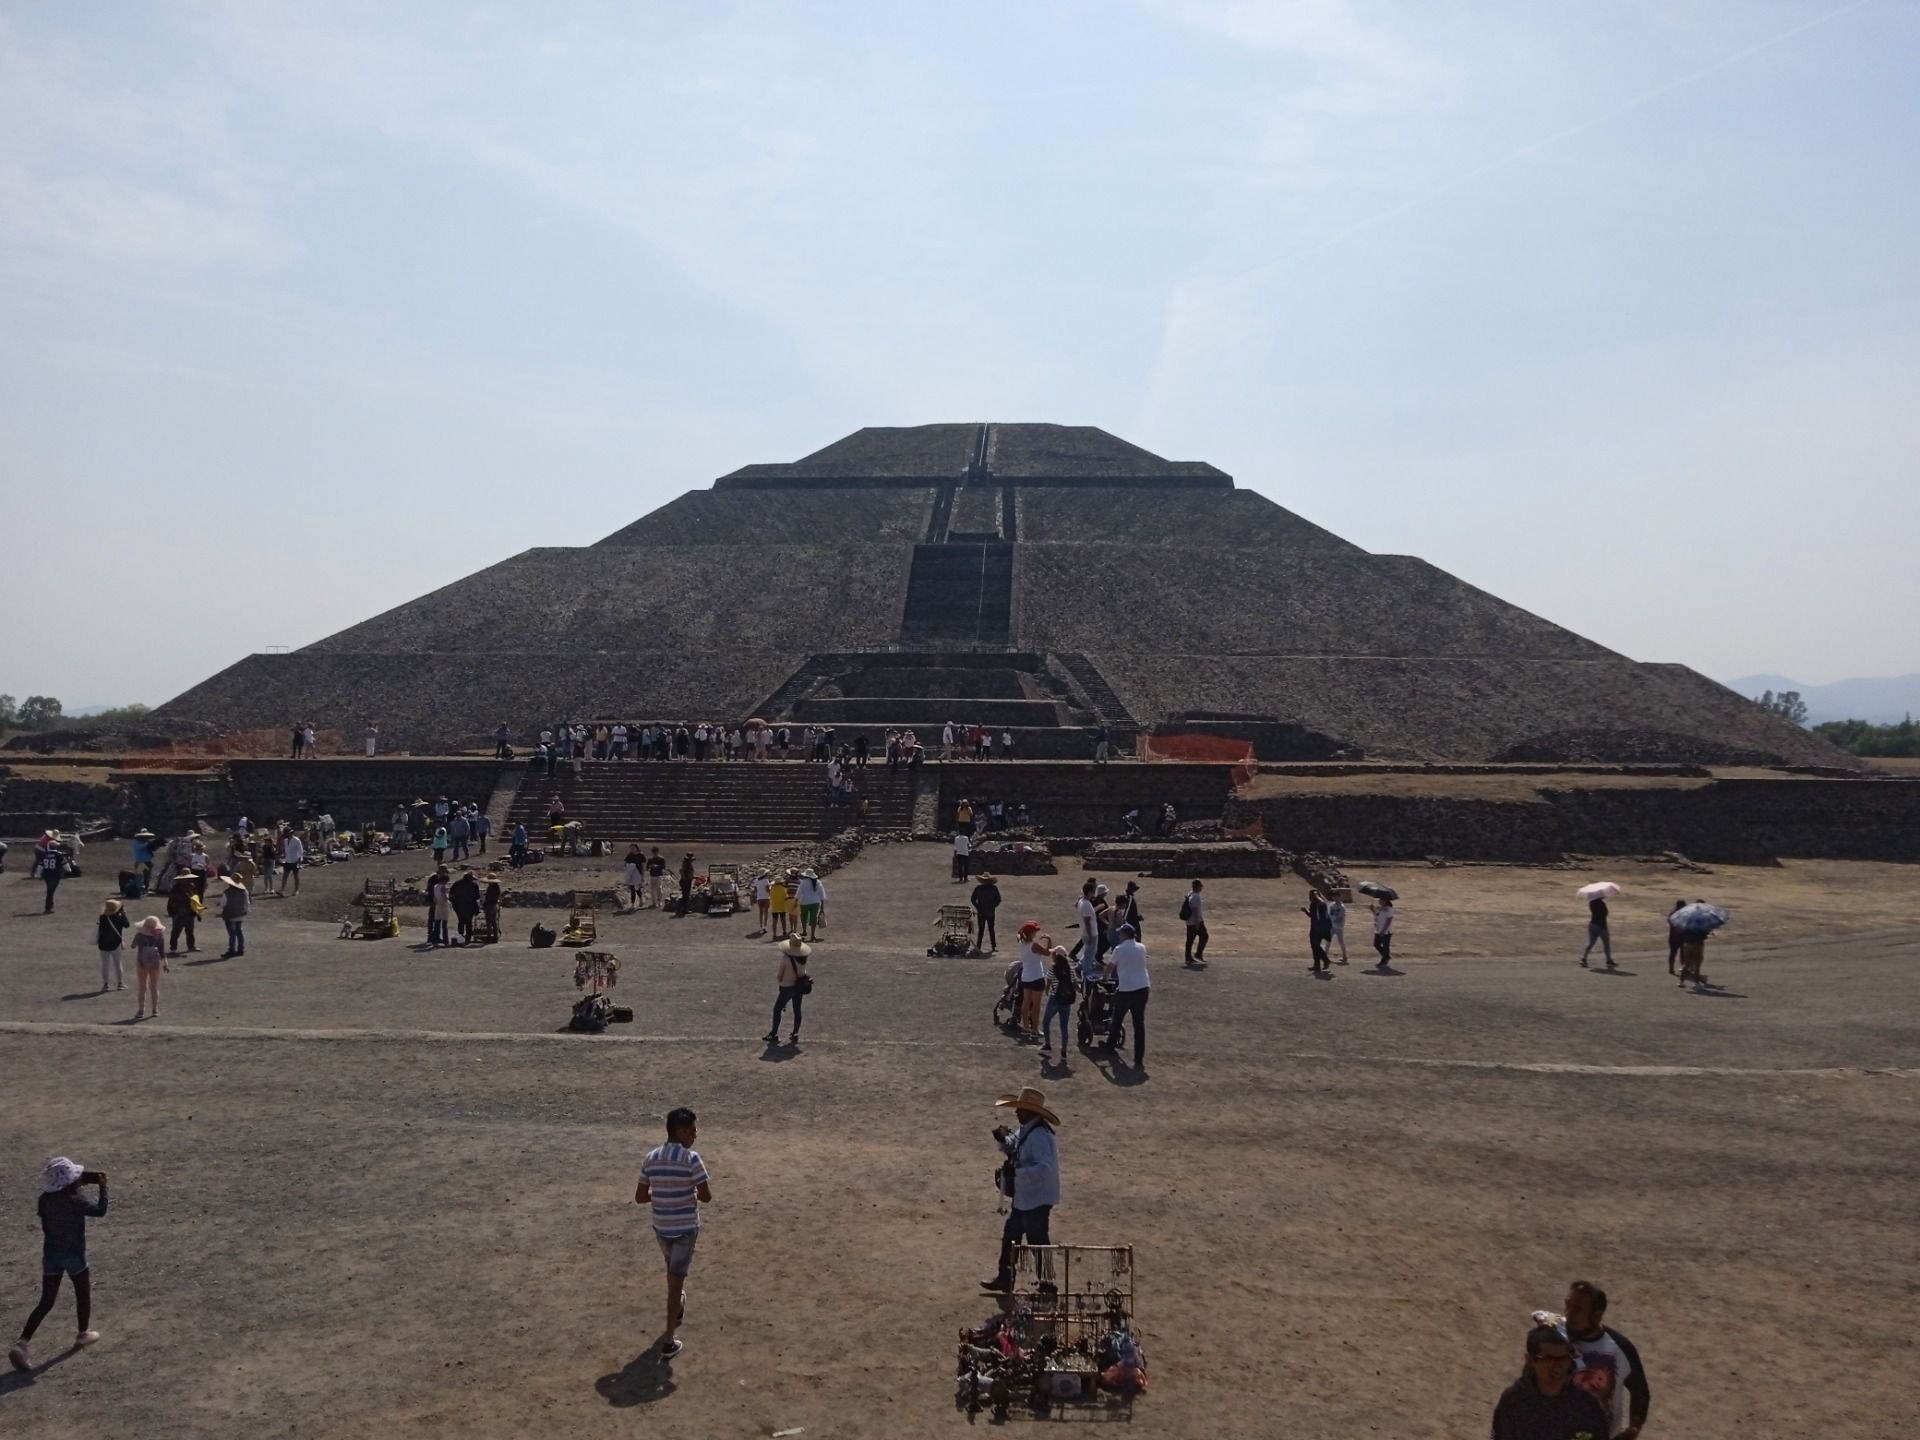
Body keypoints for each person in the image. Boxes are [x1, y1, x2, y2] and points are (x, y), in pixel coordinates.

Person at [8, 1158, 108, 1372]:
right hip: (74, 1254)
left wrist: (81, 1184)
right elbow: (100, 1211)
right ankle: (83, 1333)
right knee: (82, 1293)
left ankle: (22, 1343)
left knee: (46, 1301)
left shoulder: (44, 1200)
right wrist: (103, 1187)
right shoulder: (74, 1199)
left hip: (51, 1255)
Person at [634, 1108, 712, 1359]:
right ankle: (668, 1339)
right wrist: (687, 1193)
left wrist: (663, 1194)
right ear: (679, 1132)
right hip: (686, 1228)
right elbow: (707, 1196)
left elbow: (640, 1197)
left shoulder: (651, 1157)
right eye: (691, 1131)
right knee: (674, 1280)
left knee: (672, 1273)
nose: (695, 1135)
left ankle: (678, 1301)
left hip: (662, 1227)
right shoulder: (691, 1159)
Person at [981, 1087, 1060, 1294]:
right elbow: (1013, 1145)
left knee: (1038, 1243)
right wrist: (1002, 1140)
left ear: (1031, 1112)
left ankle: (1048, 1286)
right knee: (1011, 1236)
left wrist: (1018, 1172)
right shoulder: (1027, 1129)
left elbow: (1045, 1168)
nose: (1016, 1112)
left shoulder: (1040, 1136)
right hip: (1025, 1197)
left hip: (1036, 1198)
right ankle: (1005, 1279)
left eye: (1020, 1109)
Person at [1491, 1326, 1612, 1440]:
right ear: (1531, 1360)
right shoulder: (1513, 1402)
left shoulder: (1587, 1407)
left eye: (1563, 1358)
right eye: (1549, 1358)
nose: (1557, 1366)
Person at [1103, 923, 1150, 1067]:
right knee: (1139, 1024)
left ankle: (1110, 1047)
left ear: (1125, 935)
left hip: (1126, 989)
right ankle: (1138, 1058)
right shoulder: (1141, 947)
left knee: (1117, 1019)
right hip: (1142, 987)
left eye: (1120, 933)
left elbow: (1111, 966)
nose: (1119, 935)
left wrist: (1104, 977)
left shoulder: (1119, 949)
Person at [765, 935, 811, 1045]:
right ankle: (795, 1033)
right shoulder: (803, 958)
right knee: (797, 1009)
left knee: (777, 1009)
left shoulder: (786, 959)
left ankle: (774, 1034)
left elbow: (779, 975)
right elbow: (803, 973)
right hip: (798, 987)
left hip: (786, 987)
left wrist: (781, 982)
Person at [1040, 944, 1077, 1061]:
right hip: (1066, 1000)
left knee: (1046, 1021)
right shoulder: (1070, 969)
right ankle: (1064, 1051)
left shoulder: (1053, 968)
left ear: (1056, 955)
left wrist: (1046, 992)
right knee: (1064, 1026)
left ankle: (1047, 1044)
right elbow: (1075, 983)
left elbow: (1048, 983)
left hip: (1055, 998)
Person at [1017, 920, 1049, 1041]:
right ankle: (1035, 1029)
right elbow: (1047, 953)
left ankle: (1025, 1027)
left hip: (1026, 977)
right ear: (1030, 933)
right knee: (1036, 1006)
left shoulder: (1021, 944)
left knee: (1026, 1002)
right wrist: (1049, 941)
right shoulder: (1034, 945)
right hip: (1036, 977)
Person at [131, 917, 167, 1019]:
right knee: (154, 986)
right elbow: (162, 952)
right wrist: (165, 963)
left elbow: (133, 946)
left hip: (141, 962)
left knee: (142, 987)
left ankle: (141, 1010)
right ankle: (155, 1010)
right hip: (155, 963)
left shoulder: (140, 935)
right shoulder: (159, 935)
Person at [96, 900, 130, 992]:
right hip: (116, 943)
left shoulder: (102, 917)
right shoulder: (119, 917)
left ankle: (105, 985)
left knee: (105, 964)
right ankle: (120, 983)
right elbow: (127, 924)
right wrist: (123, 913)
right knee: (117, 963)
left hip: (103, 943)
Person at [165, 873, 200, 955]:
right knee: (176, 931)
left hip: (189, 913)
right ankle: (173, 948)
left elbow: (195, 900)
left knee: (190, 931)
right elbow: (171, 901)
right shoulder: (176, 889)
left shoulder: (192, 887)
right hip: (179, 913)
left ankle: (191, 946)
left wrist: (197, 912)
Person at [217, 875, 250, 958]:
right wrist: (245, 911)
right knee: (239, 932)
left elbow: (222, 904)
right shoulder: (244, 891)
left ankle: (232, 950)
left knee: (232, 933)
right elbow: (247, 903)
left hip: (230, 915)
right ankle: (240, 949)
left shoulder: (227, 892)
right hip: (240, 914)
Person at [970, 872, 1002, 953]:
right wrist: (978, 907)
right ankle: (978, 946)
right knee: (981, 930)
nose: (986, 882)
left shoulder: (994, 889)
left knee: (991, 929)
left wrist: (993, 906)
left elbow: (998, 899)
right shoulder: (978, 888)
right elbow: (973, 899)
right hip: (981, 912)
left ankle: (994, 946)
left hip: (990, 912)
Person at [1581, 894, 1614, 969]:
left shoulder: (1591, 903)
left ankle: (1584, 958)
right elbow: (1604, 914)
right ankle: (1608, 960)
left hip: (1592, 924)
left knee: (1591, 943)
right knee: (1606, 943)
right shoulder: (1601, 904)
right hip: (1601, 925)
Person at [1182, 879, 1208, 968]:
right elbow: (1195, 910)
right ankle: (1198, 954)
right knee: (1204, 936)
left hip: (1190, 921)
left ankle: (1188, 957)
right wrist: (1197, 922)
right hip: (1196, 921)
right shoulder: (1196, 897)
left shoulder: (1190, 894)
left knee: (1190, 940)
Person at [1304, 890, 1331, 973]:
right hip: (1314, 928)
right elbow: (1312, 916)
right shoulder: (1313, 904)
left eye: (1312, 896)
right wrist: (1305, 911)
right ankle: (1317, 965)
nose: (1310, 897)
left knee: (1316, 946)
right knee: (1314, 947)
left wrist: (1317, 896)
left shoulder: (1321, 904)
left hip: (1320, 928)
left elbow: (1322, 903)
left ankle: (1326, 960)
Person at [450, 869, 481, 943]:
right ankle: (468, 938)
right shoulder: (474, 885)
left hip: (458, 905)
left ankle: (460, 937)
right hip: (470, 906)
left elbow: (451, 893)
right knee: (469, 922)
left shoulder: (457, 883)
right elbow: (477, 897)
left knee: (461, 921)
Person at [796, 869, 826, 942]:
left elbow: (799, 893)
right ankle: (812, 935)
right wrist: (822, 907)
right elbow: (822, 895)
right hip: (815, 902)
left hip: (804, 902)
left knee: (804, 917)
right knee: (813, 918)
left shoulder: (803, 882)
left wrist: (795, 901)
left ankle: (804, 931)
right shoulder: (818, 882)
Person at [426, 869, 451, 947]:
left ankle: (435, 940)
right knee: (444, 924)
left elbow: (434, 897)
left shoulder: (435, 886)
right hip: (443, 905)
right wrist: (449, 897)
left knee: (437, 923)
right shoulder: (443, 887)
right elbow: (445, 897)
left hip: (437, 905)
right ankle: (446, 941)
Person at [40, 839, 65, 913]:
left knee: (50, 891)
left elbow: (40, 865)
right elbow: (64, 864)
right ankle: (48, 907)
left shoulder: (44, 854)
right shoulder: (58, 854)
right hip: (55, 875)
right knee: (50, 891)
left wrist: (38, 874)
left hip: (46, 875)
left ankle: (50, 905)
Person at [278, 829, 305, 895]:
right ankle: (282, 890)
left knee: (296, 876)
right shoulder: (285, 840)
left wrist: (300, 860)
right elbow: (285, 850)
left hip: (295, 860)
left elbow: (300, 850)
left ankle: (296, 890)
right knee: (285, 875)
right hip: (288, 860)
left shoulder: (296, 840)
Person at [1371, 896, 1395, 968]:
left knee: (1385, 946)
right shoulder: (1380, 908)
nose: (1380, 900)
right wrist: (1372, 910)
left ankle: (1384, 960)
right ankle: (1386, 956)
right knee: (1376, 944)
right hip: (1378, 930)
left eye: (1382, 899)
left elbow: (1389, 921)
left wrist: (1383, 930)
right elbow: (1377, 915)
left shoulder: (1389, 909)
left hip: (1386, 931)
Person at [1666, 900, 1686, 976]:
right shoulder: (1684, 915)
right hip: (1680, 937)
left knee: (1673, 953)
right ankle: (1683, 968)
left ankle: (1671, 968)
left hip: (1673, 936)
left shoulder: (1672, 914)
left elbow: (1669, 921)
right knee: (1682, 953)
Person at [1327, 894, 1349, 964]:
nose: (1335, 898)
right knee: (1328, 940)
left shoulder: (1342, 907)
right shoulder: (1331, 905)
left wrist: (1337, 921)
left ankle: (1345, 956)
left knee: (1341, 941)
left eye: (1337, 897)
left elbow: (1341, 917)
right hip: (1331, 926)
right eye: (1334, 897)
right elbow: (1329, 914)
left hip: (1339, 927)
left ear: (1340, 897)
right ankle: (1325, 955)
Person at [751, 871, 771, 935]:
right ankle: (765, 926)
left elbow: (755, 890)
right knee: (766, 912)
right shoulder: (766, 880)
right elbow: (767, 890)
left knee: (761, 912)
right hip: (766, 897)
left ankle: (761, 926)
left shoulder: (756, 881)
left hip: (759, 898)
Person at [482, 875, 502, 941]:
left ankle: (489, 937)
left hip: (489, 905)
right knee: (494, 922)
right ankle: (495, 937)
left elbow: (488, 898)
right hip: (495, 905)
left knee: (488, 923)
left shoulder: (490, 888)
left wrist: (484, 905)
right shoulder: (497, 888)